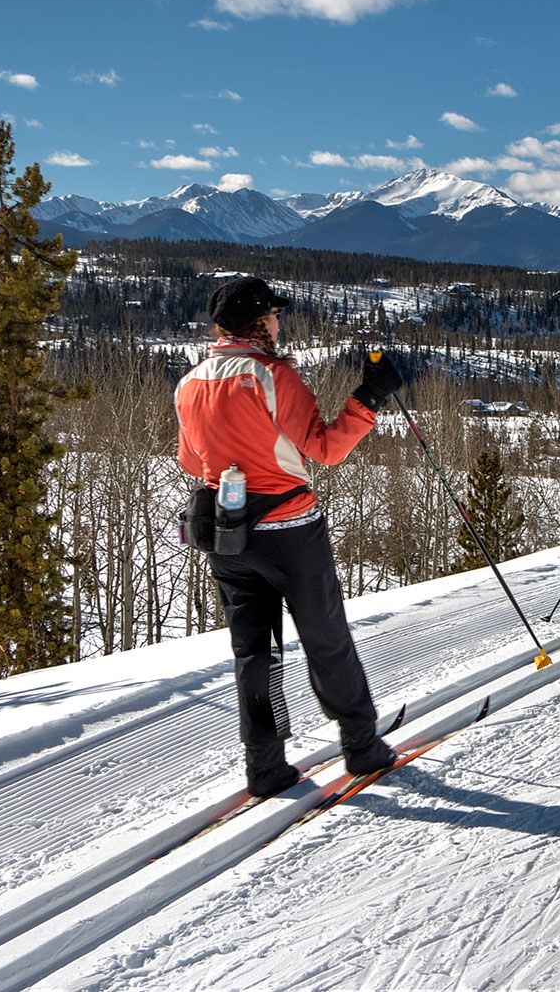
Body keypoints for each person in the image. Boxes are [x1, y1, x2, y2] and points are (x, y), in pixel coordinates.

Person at [175, 277, 406, 796]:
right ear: (260, 322)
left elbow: (191, 460)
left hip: (228, 534)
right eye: (275, 314)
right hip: (289, 529)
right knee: (326, 639)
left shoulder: (189, 383)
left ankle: (265, 768)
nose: (280, 321)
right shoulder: (272, 375)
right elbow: (324, 448)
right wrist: (368, 397)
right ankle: (362, 747)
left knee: (253, 652)